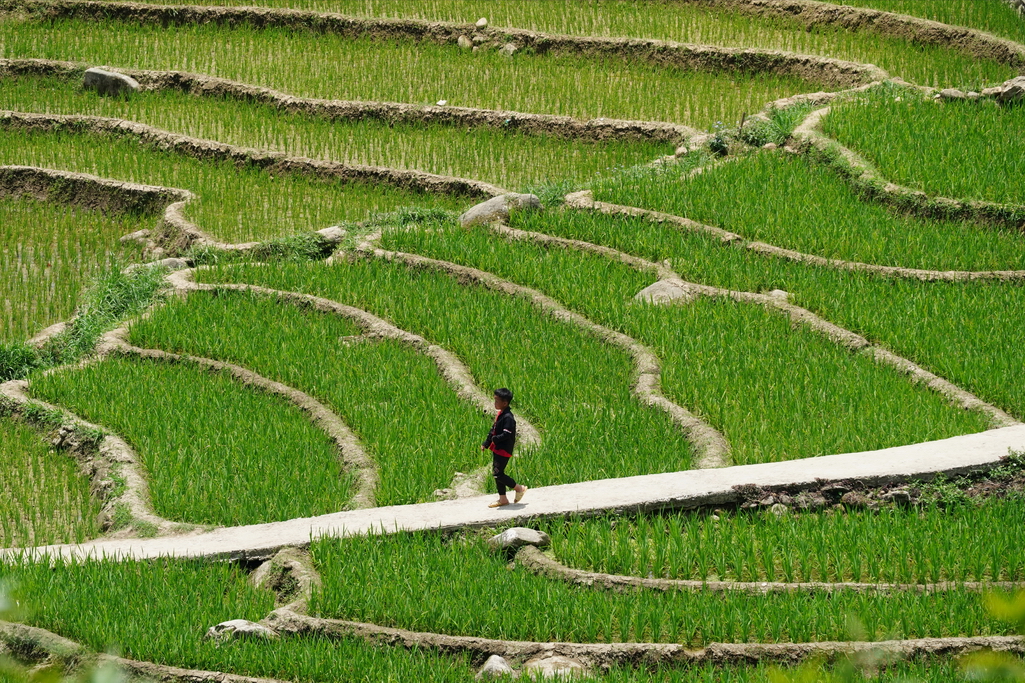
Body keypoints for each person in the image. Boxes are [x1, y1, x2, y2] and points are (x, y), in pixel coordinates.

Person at [482, 387, 527, 508]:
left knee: (498, 474)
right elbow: (493, 430)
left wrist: (495, 439)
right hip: (497, 449)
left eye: (497, 401)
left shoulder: (508, 418)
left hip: (503, 450)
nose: (494, 403)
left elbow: (507, 434)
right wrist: (486, 443)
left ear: (505, 403)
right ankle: (503, 499)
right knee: (497, 473)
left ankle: (519, 488)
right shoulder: (501, 414)